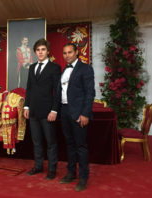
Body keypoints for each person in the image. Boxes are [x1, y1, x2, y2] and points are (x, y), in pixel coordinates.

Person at [57, 43, 95, 191]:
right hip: (65, 111)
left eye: (70, 52)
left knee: (80, 146)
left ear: (76, 52)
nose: (67, 55)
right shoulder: (64, 70)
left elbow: (89, 93)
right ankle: (71, 172)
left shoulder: (85, 69)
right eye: (65, 53)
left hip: (79, 113)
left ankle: (83, 178)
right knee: (69, 144)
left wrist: (85, 113)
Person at [24, 38, 61, 180]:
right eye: (38, 50)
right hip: (33, 111)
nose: (40, 52)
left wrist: (54, 110)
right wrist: (26, 106)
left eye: (43, 50)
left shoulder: (55, 68)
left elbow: (57, 91)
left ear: (48, 51)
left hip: (48, 111)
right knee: (36, 141)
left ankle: (52, 169)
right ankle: (38, 166)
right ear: (35, 52)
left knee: (51, 142)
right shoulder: (32, 67)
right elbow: (29, 88)